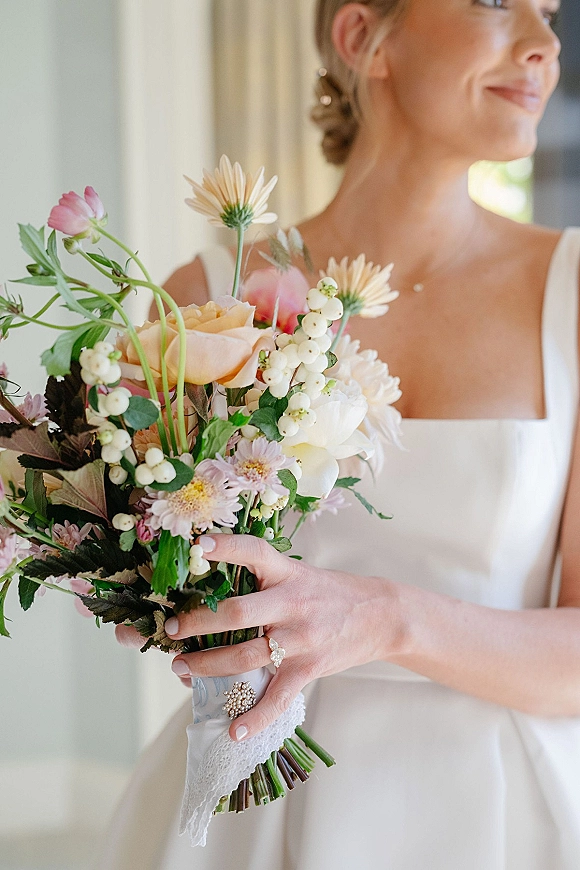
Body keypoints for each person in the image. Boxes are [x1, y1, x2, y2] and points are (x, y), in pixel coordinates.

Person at [96, 1, 580, 868]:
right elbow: (142, 558)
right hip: (259, 801)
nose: (545, 43)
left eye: (548, 13)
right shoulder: (205, 300)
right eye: (497, 2)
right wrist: (140, 584)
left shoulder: (573, 294)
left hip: (507, 816)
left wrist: (389, 617)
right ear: (364, 37)